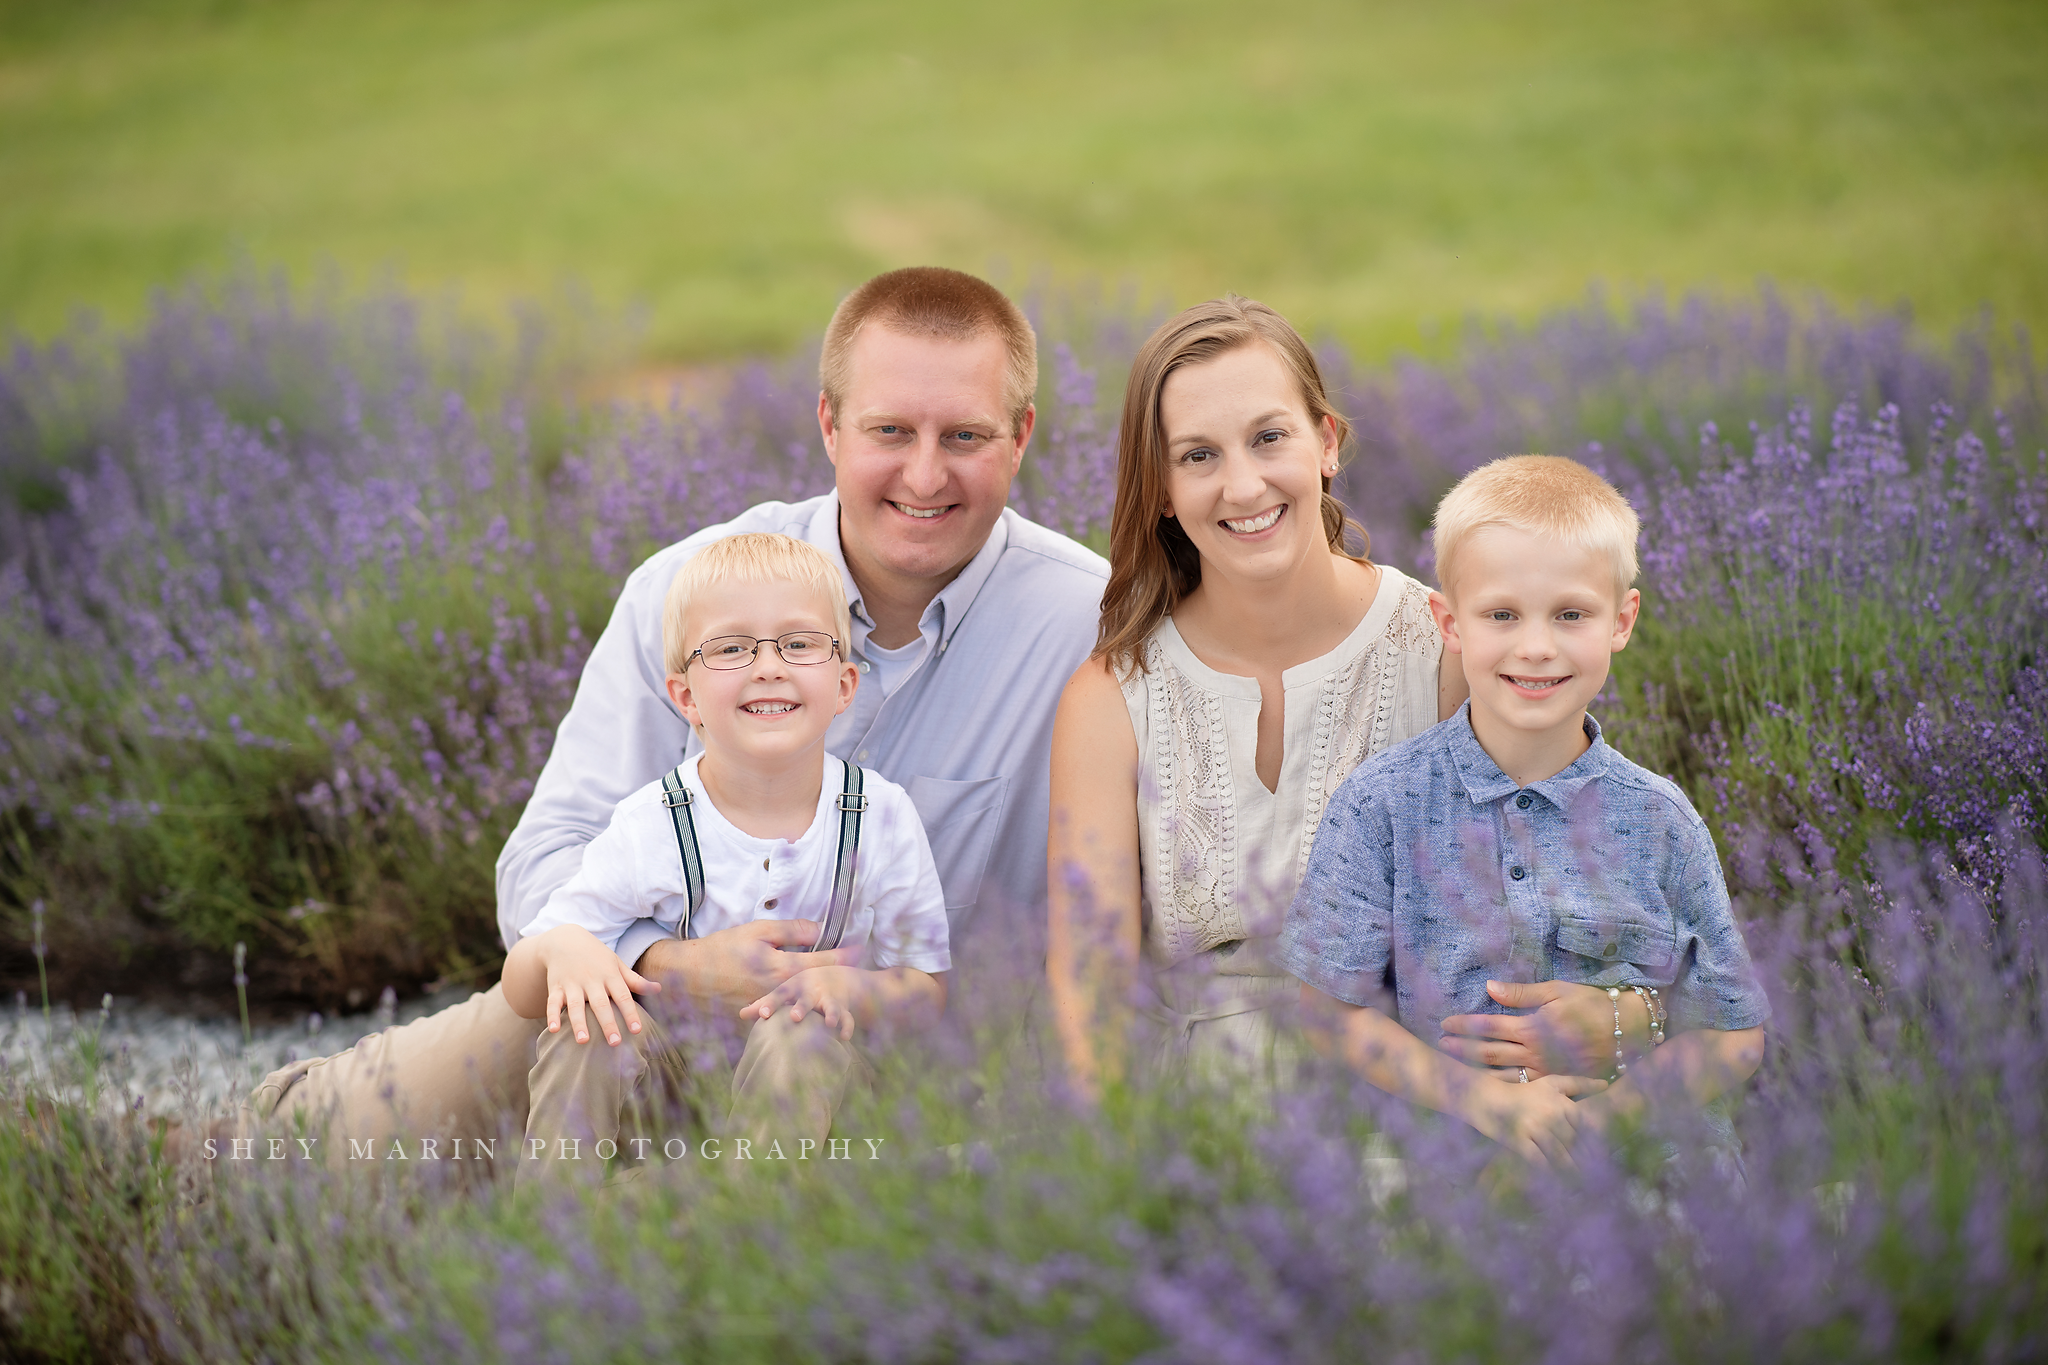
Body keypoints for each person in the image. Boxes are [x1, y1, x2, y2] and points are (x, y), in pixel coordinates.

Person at [241, 268, 1107, 1173]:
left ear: (1020, 438)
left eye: (964, 435)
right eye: (890, 430)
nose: (924, 473)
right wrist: (669, 961)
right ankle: (247, 1144)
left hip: (880, 1076)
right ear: (828, 426)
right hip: (633, 1021)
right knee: (312, 1157)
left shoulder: (1089, 629)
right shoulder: (682, 592)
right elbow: (546, 860)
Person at [1276, 455, 1771, 1167]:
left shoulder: (1661, 820)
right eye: (1502, 614)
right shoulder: (1382, 805)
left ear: (1621, 620)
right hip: (1453, 1176)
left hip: (1641, 1175)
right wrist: (1488, 1103)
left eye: (1570, 614)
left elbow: (1735, 1031)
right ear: (1448, 621)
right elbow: (1326, 1009)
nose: (1536, 647)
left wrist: (1606, 1119)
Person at [1045, 295, 1458, 1096]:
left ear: (1326, 443)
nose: (1242, 485)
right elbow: (1090, 993)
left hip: (1416, 1105)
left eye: (1269, 438)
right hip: (1201, 1122)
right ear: (1161, 488)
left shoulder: (1444, 650)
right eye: (1197, 456)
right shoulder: (1111, 698)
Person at [503, 534, 950, 1182]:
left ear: (844, 682)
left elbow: (926, 989)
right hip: (675, 1091)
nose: (768, 666)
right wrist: (557, 950)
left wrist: (857, 988)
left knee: (802, 1028)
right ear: (685, 697)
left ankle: (745, 1245)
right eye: (732, 647)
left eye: (798, 643)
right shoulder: (653, 822)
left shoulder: (879, 814)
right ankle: (550, 1237)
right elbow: (523, 986)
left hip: (831, 1108)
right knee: (589, 1029)